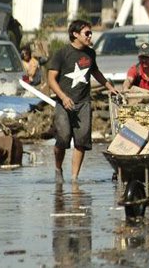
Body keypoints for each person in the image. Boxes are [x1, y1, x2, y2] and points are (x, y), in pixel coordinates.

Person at [48, 19, 118, 183]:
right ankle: (58, 169)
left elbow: (95, 71)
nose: (90, 36)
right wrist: (63, 97)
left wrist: (109, 86)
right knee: (63, 138)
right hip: (63, 103)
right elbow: (51, 79)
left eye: (90, 33)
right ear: (75, 34)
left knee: (81, 142)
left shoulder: (90, 53)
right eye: (87, 33)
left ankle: (74, 179)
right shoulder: (62, 53)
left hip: (84, 103)